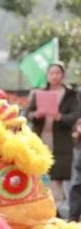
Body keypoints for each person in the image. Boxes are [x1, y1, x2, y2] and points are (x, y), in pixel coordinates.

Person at [27, 61, 81, 217]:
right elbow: (28, 112)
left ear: (63, 75)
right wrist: (35, 115)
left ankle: (55, 209)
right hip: (41, 137)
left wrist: (61, 117)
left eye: (58, 73)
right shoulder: (38, 93)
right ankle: (42, 206)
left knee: (57, 177)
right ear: (47, 75)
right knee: (41, 173)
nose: (55, 76)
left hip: (61, 141)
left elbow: (75, 115)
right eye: (52, 73)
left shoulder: (71, 95)